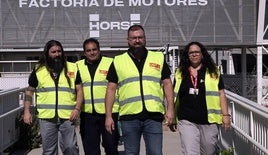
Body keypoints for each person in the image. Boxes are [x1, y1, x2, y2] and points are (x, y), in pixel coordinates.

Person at [105, 24, 174, 155]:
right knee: (131, 153)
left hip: (153, 116)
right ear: (128, 40)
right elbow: (111, 90)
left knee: (156, 152)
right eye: (134, 38)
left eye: (140, 37)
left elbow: (167, 84)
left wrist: (170, 109)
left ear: (145, 39)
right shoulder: (118, 61)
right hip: (129, 117)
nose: (137, 40)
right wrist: (108, 116)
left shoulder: (158, 58)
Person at [170, 41, 231, 155]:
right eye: (191, 52)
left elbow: (221, 93)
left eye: (197, 52)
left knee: (209, 150)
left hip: (208, 120)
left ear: (202, 54)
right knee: (190, 152)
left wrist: (226, 115)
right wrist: (172, 115)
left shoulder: (213, 72)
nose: (194, 54)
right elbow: (174, 95)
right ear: (187, 56)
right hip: (186, 119)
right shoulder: (180, 73)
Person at [23, 40, 83, 155]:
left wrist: (77, 109)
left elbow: (79, 90)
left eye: (59, 51)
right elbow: (29, 92)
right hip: (46, 118)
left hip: (68, 117)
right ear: (47, 53)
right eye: (53, 52)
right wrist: (26, 111)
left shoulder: (72, 67)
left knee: (70, 148)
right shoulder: (38, 69)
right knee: (49, 151)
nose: (57, 54)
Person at [76, 38, 119, 155]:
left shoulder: (111, 63)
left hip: (109, 114)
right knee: (90, 150)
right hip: (88, 115)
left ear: (99, 50)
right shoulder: (77, 66)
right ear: (84, 52)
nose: (92, 52)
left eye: (94, 49)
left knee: (111, 147)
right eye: (88, 50)